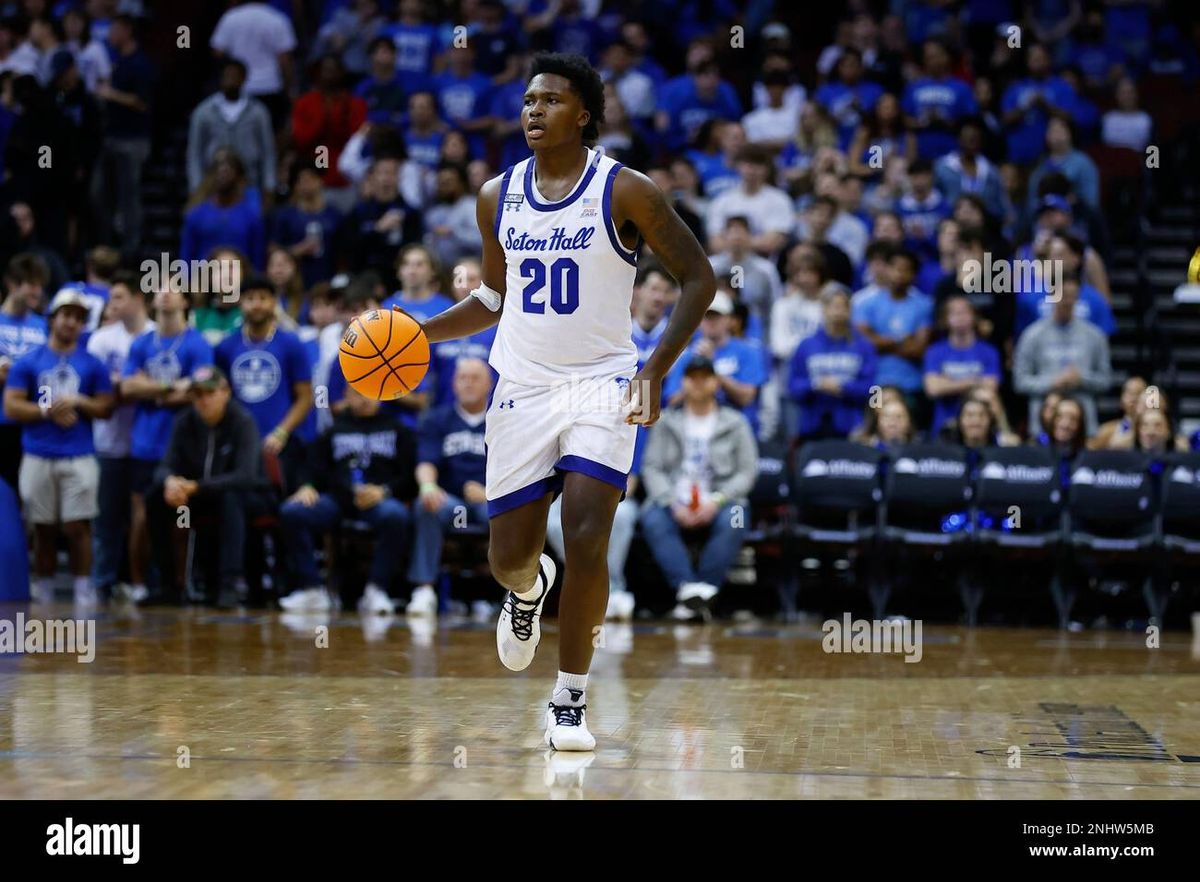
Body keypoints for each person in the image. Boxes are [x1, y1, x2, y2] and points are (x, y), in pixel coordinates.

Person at [418, 52, 716, 751]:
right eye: (527, 101)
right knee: (509, 557)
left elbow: (699, 278)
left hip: (605, 383)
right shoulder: (497, 195)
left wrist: (656, 367)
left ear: (583, 112)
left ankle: (570, 700)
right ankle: (527, 591)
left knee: (587, 533)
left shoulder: (626, 190)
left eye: (550, 100)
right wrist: (420, 331)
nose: (533, 111)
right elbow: (493, 299)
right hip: (521, 383)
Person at [2, 290, 114, 605]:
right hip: (38, 452)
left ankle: (82, 588)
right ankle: (46, 587)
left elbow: (107, 406)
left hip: (79, 454)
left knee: (78, 527)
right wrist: (47, 409)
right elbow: (11, 406)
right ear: (53, 318)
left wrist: (79, 401)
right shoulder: (30, 360)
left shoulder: (92, 363)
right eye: (66, 315)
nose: (72, 323)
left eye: (79, 318)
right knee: (43, 528)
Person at [279, 384, 416, 615]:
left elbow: (410, 477)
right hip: (338, 499)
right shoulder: (334, 430)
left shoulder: (398, 429)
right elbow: (312, 467)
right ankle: (312, 589)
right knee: (292, 512)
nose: (364, 398)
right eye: (358, 393)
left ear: (381, 396)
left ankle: (377, 589)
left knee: (396, 516)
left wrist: (384, 490)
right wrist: (306, 487)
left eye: (370, 393)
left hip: (378, 500)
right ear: (346, 396)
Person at [639, 354, 757, 621]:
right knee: (651, 517)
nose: (699, 383)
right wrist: (671, 501)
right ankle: (687, 588)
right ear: (684, 382)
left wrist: (717, 499)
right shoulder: (667, 421)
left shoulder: (735, 422)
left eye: (705, 378)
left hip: (722, 500)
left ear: (716, 383)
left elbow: (747, 471)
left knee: (736, 519)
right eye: (692, 378)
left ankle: (703, 590)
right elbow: (652, 467)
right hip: (674, 499)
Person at [121, 284, 213, 605]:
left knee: (179, 518)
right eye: (160, 289)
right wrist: (169, 386)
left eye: (174, 290)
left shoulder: (197, 343)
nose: (165, 294)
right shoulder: (142, 343)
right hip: (143, 443)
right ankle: (138, 584)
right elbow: (127, 387)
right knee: (142, 517)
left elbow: (199, 389)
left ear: (186, 300)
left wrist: (152, 388)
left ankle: (177, 584)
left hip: (181, 446)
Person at [149, 365, 269, 606]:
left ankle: (229, 584)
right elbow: (164, 466)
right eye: (198, 395)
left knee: (230, 497)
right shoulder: (185, 422)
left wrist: (197, 487)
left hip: (250, 498)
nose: (203, 401)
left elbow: (245, 476)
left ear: (226, 392)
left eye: (209, 394)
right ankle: (168, 584)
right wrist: (171, 482)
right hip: (198, 497)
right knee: (155, 498)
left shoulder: (242, 421)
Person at [405, 357, 491, 617]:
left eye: (475, 378)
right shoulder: (437, 419)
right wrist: (428, 486)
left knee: (516, 514)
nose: (468, 384)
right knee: (427, 504)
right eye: (462, 378)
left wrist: (492, 494)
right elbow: (426, 462)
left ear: (489, 384)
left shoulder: (503, 421)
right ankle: (424, 590)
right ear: (453, 384)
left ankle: (512, 592)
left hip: (492, 500)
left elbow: (519, 467)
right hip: (451, 501)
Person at [86, 270, 152, 601]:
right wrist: (132, 385)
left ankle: (145, 584)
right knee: (107, 519)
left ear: (139, 300)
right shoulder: (101, 340)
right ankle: (103, 583)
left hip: (149, 444)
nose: (111, 304)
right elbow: (97, 390)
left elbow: (150, 387)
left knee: (146, 520)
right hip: (109, 441)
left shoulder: (156, 336)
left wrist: (132, 386)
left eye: (118, 297)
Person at [214, 274, 313, 490]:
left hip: (280, 441)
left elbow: (306, 396)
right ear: (241, 303)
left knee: (276, 506)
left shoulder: (291, 343)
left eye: (262, 298)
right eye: (250, 298)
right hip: (238, 441)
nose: (256, 304)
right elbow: (220, 397)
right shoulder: (225, 346)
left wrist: (282, 432)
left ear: (274, 302)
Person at [1013, 272, 1112, 435]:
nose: (1067, 301)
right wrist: (1053, 382)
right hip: (1042, 424)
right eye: (1062, 295)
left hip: (1083, 424)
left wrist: (1081, 379)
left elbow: (1105, 380)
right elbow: (1020, 381)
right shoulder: (1032, 335)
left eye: (1072, 296)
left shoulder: (1095, 336)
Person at [788, 287, 877, 441]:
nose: (838, 311)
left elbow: (873, 389)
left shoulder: (863, 345)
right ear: (823, 309)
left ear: (850, 310)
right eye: (833, 306)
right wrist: (816, 384)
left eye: (843, 306)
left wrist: (843, 387)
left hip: (850, 425)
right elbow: (792, 386)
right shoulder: (806, 345)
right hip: (811, 424)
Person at [187, 58, 276, 194]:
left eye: (235, 76)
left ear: (244, 79)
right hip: (213, 181)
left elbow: (268, 152)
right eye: (227, 76)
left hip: (249, 180)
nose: (231, 80)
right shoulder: (204, 111)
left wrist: (269, 186)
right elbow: (195, 152)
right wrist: (196, 186)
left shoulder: (258, 111)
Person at [0, 253, 50, 491]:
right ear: (12, 283)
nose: (37, 292)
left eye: (40, 285)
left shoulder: (43, 326)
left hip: (32, 422)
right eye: (31, 284)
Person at [922, 295, 1001, 436]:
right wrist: (975, 381)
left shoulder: (988, 351)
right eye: (954, 313)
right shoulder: (935, 351)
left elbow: (990, 388)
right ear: (945, 319)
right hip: (944, 425)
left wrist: (948, 382)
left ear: (974, 316)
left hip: (979, 425)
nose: (960, 316)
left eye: (964, 312)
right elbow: (933, 388)